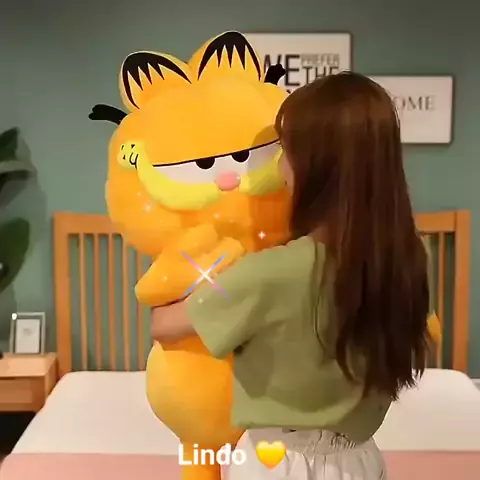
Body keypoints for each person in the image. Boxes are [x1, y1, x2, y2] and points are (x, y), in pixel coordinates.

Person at [150, 72, 430, 479]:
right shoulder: (409, 259)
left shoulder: (270, 273)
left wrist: (188, 261)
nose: (280, 167)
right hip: (360, 461)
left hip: (279, 463)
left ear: (315, 165)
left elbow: (163, 325)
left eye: (284, 149)